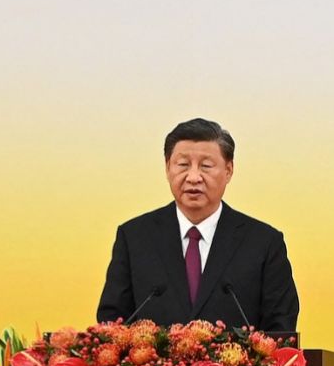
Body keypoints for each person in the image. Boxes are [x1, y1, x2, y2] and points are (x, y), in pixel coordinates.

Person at [95, 118, 299, 332]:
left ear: (228, 170)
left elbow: (281, 327)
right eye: (183, 165)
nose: (193, 177)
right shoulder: (134, 237)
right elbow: (112, 323)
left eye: (206, 166)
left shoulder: (263, 242)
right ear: (167, 168)